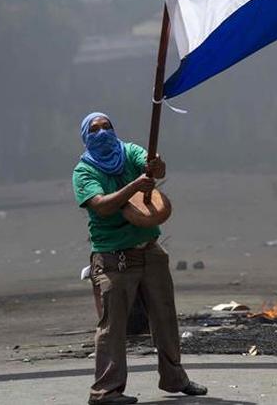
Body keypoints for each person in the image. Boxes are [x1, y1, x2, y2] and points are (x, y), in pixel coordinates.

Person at [73, 112, 206, 405]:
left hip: (149, 250)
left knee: (165, 317)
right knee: (113, 327)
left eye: (107, 126)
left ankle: (174, 378)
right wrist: (134, 186)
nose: (103, 133)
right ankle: (105, 392)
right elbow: (102, 206)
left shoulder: (129, 151)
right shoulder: (84, 172)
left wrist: (156, 165)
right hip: (113, 258)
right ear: (85, 137)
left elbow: (154, 167)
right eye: (94, 130)